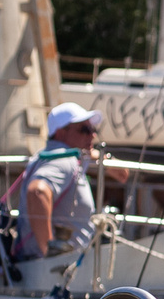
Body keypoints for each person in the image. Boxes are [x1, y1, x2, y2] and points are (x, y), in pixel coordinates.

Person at [19, 102, 116, 257]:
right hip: (56, 270)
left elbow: (123, 174)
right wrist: (50, 252)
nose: (93, 135)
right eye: (84, 130)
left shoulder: (46, 155)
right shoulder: (64, 160)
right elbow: (38, 192)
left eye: (93, 129)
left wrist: (94, 154)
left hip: (42, 265)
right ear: (60, 133)